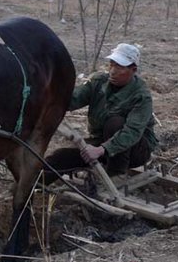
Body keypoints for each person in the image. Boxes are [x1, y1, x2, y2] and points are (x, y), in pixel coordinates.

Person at [45, 43, 158, 180]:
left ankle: (117, 173)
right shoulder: (99, 82)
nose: (113, 70)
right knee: (61, 157)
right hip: (101, 143)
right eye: (112, 64)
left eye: (119, 67)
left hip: (135, 150)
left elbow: (132, 132)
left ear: (133, 70)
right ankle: (33, 186)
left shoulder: (141, 96)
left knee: (115, 122)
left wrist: (101, 150)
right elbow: (73, 99)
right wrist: (49, 95)